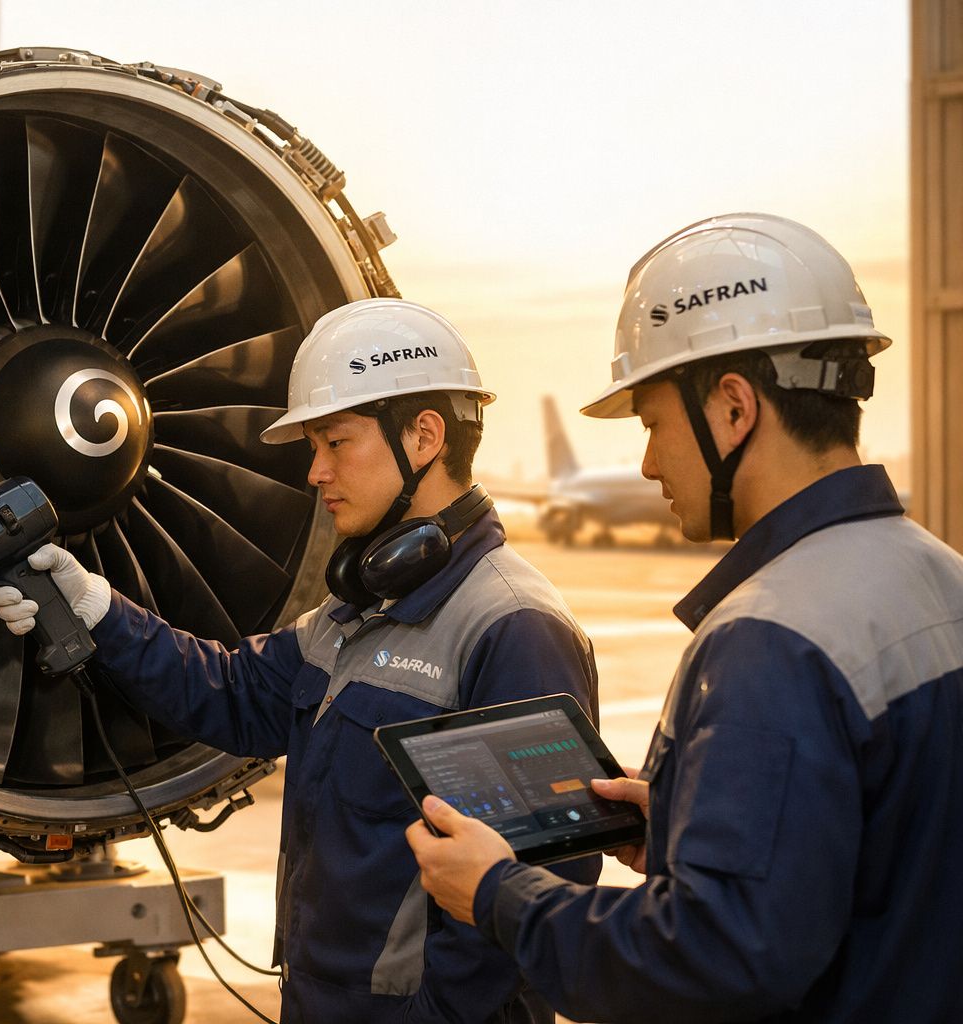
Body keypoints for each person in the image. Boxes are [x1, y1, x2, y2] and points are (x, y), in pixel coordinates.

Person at [406, 213, 963, 1023]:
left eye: (653, 423)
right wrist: (677, 831)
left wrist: (499, 893)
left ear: (733, 409)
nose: (646, 461)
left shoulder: (773, 640)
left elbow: (716, 962)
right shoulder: (940, 575)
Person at [0, 298, 600, 1022]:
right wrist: (96, 608)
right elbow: (232, 693)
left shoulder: (512, 627)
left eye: (335, 443)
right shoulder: (352, 614)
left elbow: (539, 893)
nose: (315, 472)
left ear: (424, 436)